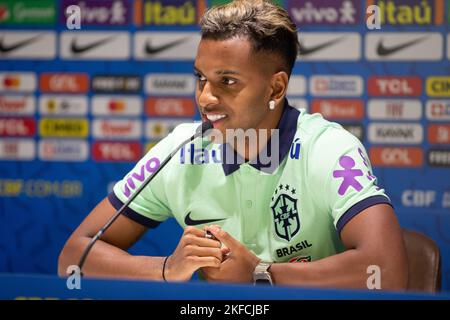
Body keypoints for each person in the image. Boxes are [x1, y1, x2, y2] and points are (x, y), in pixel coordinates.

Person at [58, 0, 408, 290]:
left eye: (227, 81)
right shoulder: (180, 149)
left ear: (275, 89)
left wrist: (262, 274)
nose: (206, 98)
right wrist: (167, 268)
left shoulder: (328, 148)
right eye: (201, 78)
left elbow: (388, 271)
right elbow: (75, 257)